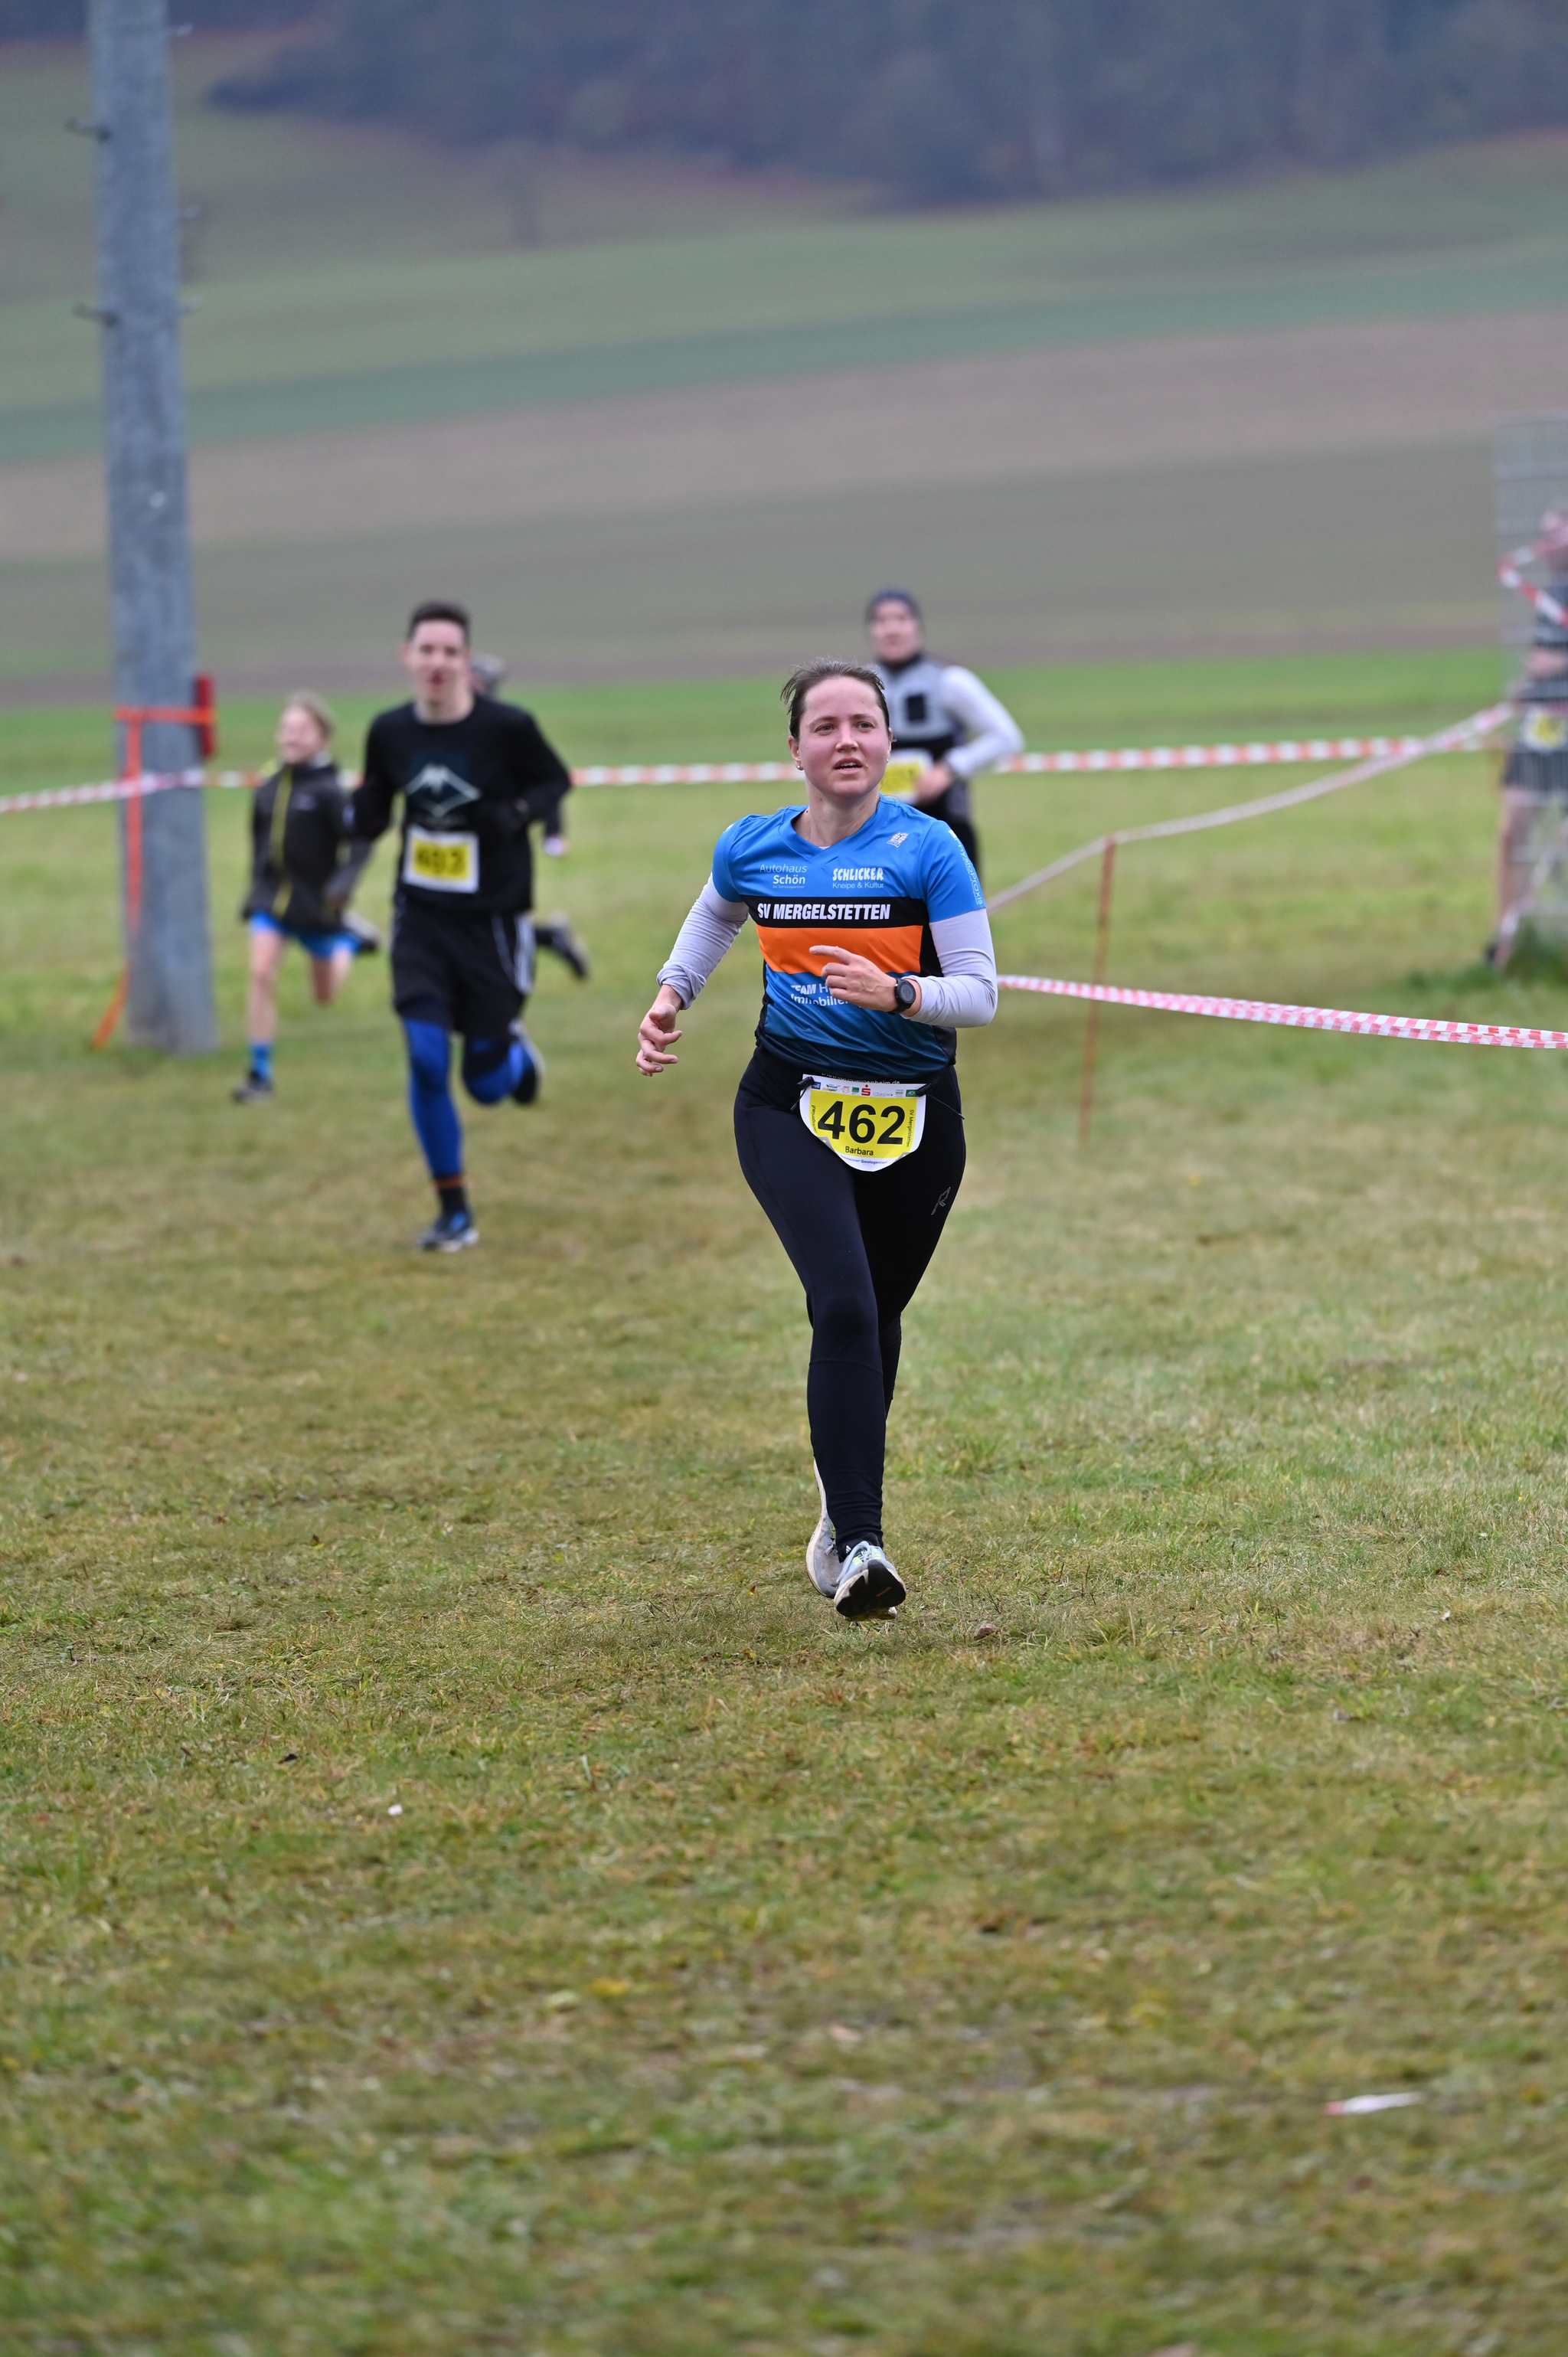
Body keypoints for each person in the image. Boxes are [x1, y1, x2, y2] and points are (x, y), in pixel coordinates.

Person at [636, 659, 997, 1620]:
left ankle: (838, 1513)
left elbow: (980, 994)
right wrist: (671, 995)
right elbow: (714, 915)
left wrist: (900, 993)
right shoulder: (752, 847)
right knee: (840, 1303)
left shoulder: (928, 849)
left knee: (874, 1317)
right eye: (825, 726)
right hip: (787, 1106)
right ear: (793, 748)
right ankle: (864, 1545)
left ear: (888, 741)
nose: (846, 741)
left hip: (916, 1116)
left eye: (863, 725)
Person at [347, 600, 574, 1253]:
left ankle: (515, 1059)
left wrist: (517, 813)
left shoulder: (507, 728)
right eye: (428, 650)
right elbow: (376, 803)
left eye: (451, 652)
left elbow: (555, 781)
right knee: (425, 1057)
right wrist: (361, 813)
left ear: (466, 661)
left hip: (492, 922)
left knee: (484, 1084)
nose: (438, 663)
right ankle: (454, 1212)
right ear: (407, 656)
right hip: (420, 916)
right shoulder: (389, 732)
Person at [232, 692, 376, 1104]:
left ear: (322, 738)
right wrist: (254, 889)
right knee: (261, 973)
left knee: (324, 997)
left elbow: (361, 842)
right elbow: (258, 843)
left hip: (316, 906)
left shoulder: (330, 791)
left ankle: (348, 943)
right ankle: (259, 1074)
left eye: (302, 730)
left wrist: (342, 885)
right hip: (271, 902)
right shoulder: (268, 786)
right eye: (286, 729)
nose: (291, 737)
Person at [865, 586, 1024, 878]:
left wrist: (949, 769)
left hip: (946, 829)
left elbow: (1005, 737)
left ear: (917, 626)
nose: (892, 629)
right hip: (876, 833)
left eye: (901, 618)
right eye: (882, 620)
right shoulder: (859, 687)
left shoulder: (949, 681)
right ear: (871, 630)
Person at [468, 650, 590, 978]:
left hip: (501, 844)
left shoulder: (507, 729)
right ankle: (550, 938)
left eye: (476, 681)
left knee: (492, 922)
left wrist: (553, 832)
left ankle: (543, 944)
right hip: (457, 842)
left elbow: (547, 782)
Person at [1490, 513, 1568, 963]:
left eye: (1556, 534)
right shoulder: (1551, 596)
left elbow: (1547, 663)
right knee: (1514, 826)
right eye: (1545, 535)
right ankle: (1506, 940)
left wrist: (1551, 668)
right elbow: (1538, 664)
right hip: (1545, 726)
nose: (1547, 544)